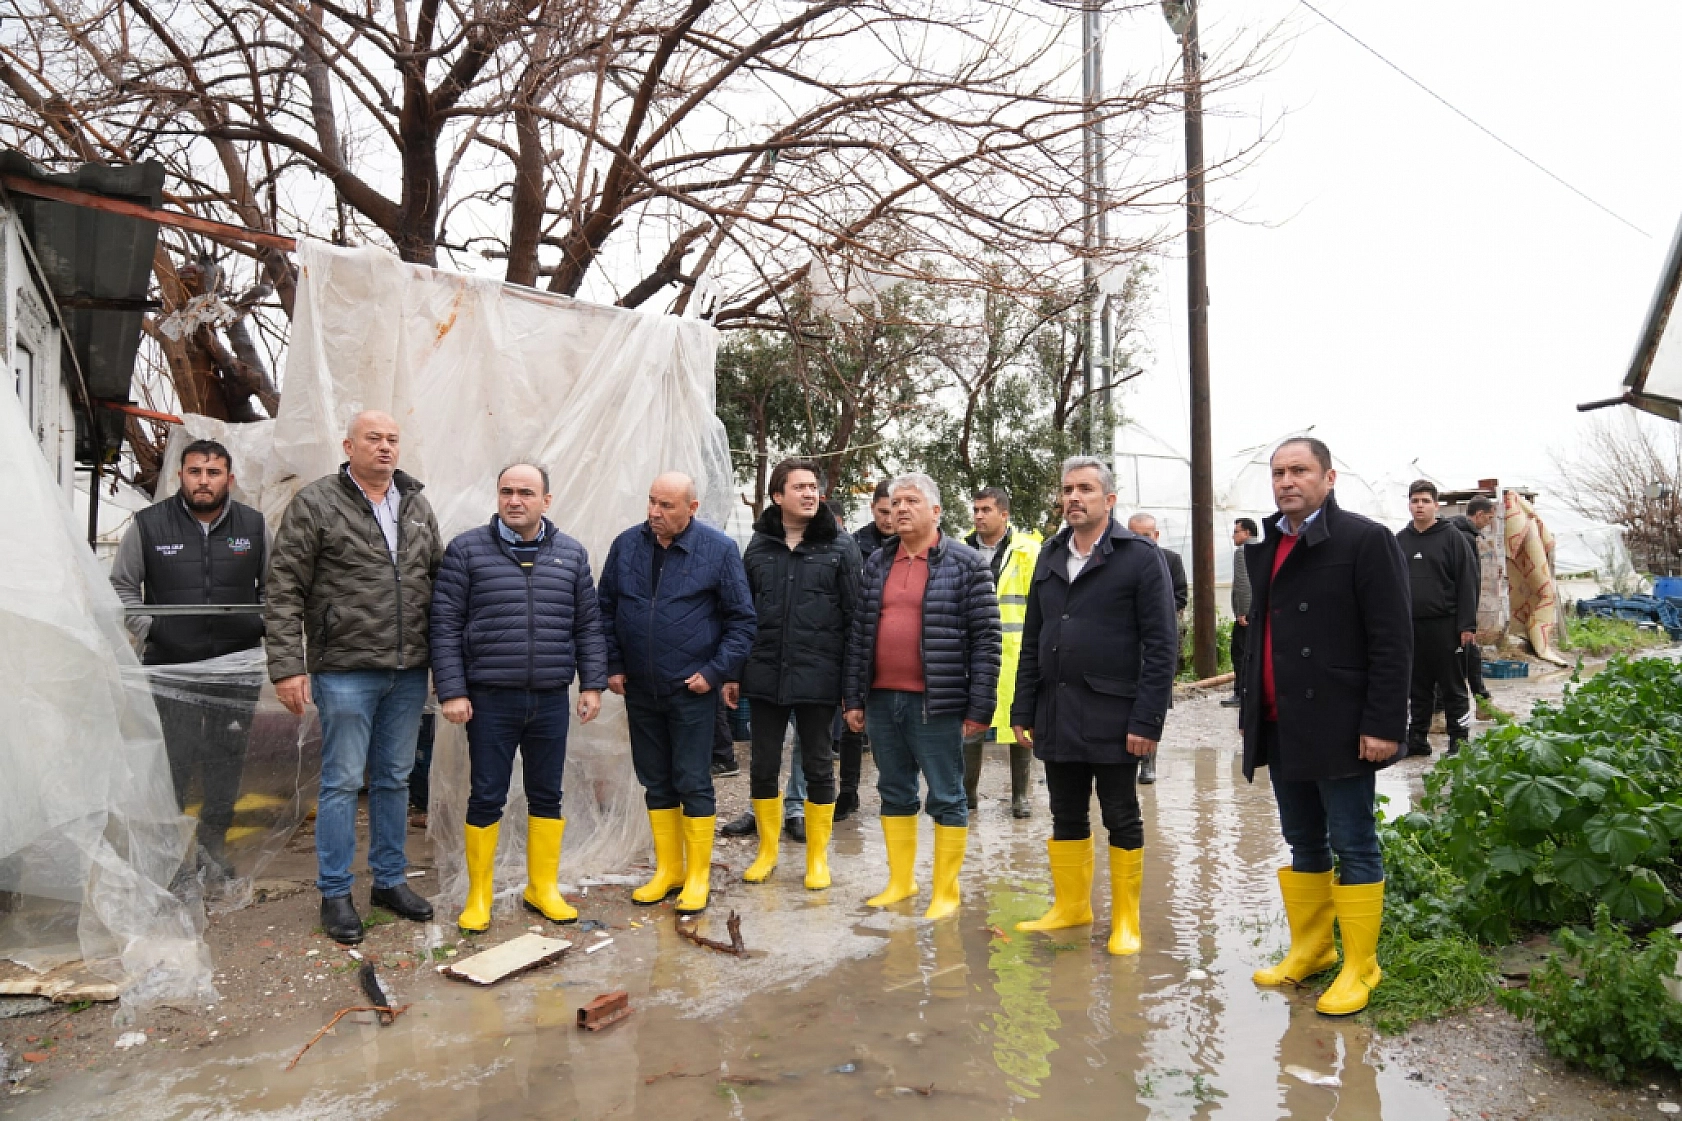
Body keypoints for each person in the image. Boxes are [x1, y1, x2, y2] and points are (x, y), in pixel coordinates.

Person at [1239, 437, 1411, 1016]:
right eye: (1278, 472)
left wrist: (1384, 722)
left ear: (1329, 477)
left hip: (1340, 721)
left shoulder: (1364, 540)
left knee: (1353, 842)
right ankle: (1312, 950)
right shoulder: (1267, 545)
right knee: (1302, 838)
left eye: (1300, 470)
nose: (1287, 481)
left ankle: (1361, 965)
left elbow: (1392, 640)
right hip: (1282, 720)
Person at [267, 411, 443, 944]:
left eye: (392, 439)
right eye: (374, 438)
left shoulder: (415, 504)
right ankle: (336, 890)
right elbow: (283, 587)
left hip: (408, 669)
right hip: (343, 668)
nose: (385, 447)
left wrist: (449, 664)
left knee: (394, 778)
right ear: (350, 445)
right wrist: (286, 665)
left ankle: (389, 881)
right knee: (344, 781)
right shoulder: (317, 503)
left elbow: (438, 580)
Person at [429, 464, 608, 933]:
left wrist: (591, 684)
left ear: (546, 501)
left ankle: (541, 887)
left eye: (526, 493)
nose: (514, 501)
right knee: (487, 794)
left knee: (547, 793)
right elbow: (444, 626)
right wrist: (453, 690)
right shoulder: (467, 551)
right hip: (490, 700)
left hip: (549, 698)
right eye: (506, 491)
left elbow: (588, 625)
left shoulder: (570, 555)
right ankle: (480, 895)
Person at [1010, 457, 1178, 955]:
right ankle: (1071, 906)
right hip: (1056, 708)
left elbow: (1161, 644)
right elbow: (1034, 636)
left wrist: (1148, 718)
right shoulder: (1050, 555)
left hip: (1114, 711)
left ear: (1108, 500)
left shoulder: (1138, 558)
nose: (1073, 498)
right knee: (1065, 811)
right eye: (1067, 489)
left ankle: (1126, 920)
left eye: (1085, 488)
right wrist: (1023, 708)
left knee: (1121, 813)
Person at [843, 473, 1000, 920]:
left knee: (947, 796)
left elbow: (987, 641)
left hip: (938, 702)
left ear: (936, 511)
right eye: (895, 503)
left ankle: (945, 890)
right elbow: (859, 636)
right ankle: (901, 880)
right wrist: (853, 697)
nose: (900, 509)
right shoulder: (875, 563)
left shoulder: (967, 564)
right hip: (881, 698)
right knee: (893, 790)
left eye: (912, 501)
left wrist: (980, 706)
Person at [598, 472, 756, 915]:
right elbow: (605, 608)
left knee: (692, 779)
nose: (654, 513)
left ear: (692, 508)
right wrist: (612, 664)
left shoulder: (719, 550)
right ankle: (669, 870)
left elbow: (742, 621)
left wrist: (714, 672)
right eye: (651, 502)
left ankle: (698, 875)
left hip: (691, 688)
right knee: (655, 779)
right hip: (640, 687)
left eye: (666, 506)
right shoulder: (627, 545)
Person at [111, 438, 267, 880]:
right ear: (180, 476)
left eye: (213, 472)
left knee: (226, 757)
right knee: (174, 759)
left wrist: (261, 630)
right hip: (170, 665)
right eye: (195, 471)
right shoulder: (149, 525)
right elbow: (122, 585)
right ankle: (173, 855)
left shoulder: (253, 527)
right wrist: (152, 628)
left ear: (229, 480)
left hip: (236, 666)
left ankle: (214, 844)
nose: (204, 481)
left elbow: (275, 588)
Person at [732, 459, 861, 888]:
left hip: (819, 676)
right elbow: (741, 615)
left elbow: (855, 618)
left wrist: (851, 686)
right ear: (777, 497)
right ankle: (767, 851)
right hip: (765, 674)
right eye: (800, 487)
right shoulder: (758, 547)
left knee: (821, 765)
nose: (809, 493)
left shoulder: (839, 547)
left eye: (813, 487)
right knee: (763, 765)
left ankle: (816, 859)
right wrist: (735, 672)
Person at [962, 486, 1041, 818]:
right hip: (971, 651)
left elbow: (1040, 605)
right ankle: (967, 796)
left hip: (1015, 653)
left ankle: (1020, 797)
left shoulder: (1029, 551)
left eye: (986, 510)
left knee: (1017, 723)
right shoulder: (960, 549)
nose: (979, 516)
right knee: (971, 722)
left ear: (1004, 514)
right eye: (976, 509)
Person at [1398, 480, 1478, 757]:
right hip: (1411, 626)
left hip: (1446, 625)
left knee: (1452, 686)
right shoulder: (1400, 540)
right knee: (1416, 687)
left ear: (1435, 505)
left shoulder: (1452, 537)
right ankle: (1417, 739)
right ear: (1409, 505)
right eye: (1414, 501)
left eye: (1424, 501)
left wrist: (1467, 625)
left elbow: (1468, 582)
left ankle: (1459, 741)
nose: (1419, 506)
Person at [835, 479, 896, 820]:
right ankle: (848, 792)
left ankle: (897, 792)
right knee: (851, 724)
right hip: (860, 642)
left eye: (894, 511)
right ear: (873, 508)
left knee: (899, 724)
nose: (889, 519)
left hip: (896, 646)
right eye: (883, 511)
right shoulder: (853, 545)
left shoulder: (913, 545)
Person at [1124, 512, 1186, 785]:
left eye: (1146, 535)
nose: (1140, 541)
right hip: (1125, 645)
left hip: (1156, 641)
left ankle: (1148, 762)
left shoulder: (1170, 560)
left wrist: (1154, 614)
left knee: (1152, 703)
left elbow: (1180, 595)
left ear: (1156, 535)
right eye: (1134, 535)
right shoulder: (1119, 560)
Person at [1450, 495, 1497, 704]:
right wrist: (1467, 622)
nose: (1488, 523)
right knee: (1463, 659)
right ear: (1478, 514)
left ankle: (1482, 702)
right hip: (1457, 611)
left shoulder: (1457, 533)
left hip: (1456, 610)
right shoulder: (1464, 538)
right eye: (1488, 518)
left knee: (1467, 658)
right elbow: (1468, 581)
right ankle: (1480, 703)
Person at [1222, 518, 1259, 708]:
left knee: (1240, 652)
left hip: (1248, 612)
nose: (1234, 535)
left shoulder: (1242, 552)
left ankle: (1240, 692)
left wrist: (1243, 611)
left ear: (1247, 533)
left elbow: (1244, 582)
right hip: (1259, 609)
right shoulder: (1262, 548)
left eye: (1237, 531)